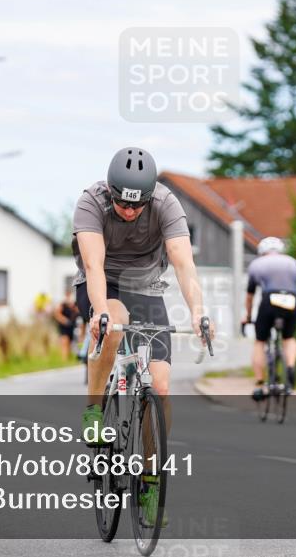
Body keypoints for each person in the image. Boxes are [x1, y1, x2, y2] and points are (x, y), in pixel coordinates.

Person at [73, 147, 214, 526]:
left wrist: (199, 311)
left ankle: (150, 484)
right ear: (111, 191)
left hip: (148, 287)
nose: (130, 211)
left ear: (151, 195)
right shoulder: (91, 202)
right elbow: (93, 263)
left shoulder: (167, 204)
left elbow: (184, 264)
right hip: (102, 282)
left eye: (138, 205)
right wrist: (100, 310)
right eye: (122, 203)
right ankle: (93, 409)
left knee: (162, 385)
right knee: (114, 319)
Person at [243, 236, 296, 400]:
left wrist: (247, 316)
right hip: (292, 298)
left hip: (269, 299)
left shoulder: (256, 264)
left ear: (262, 252)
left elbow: (250, 296)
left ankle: (260, 383)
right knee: (289, 338)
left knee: (260, 341)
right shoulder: (292, 262)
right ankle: (290, 366)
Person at [52, 289, 80, 359]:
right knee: (65, 341)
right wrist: (65, 321)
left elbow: (77, 312)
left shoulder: (73, 304)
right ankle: (64, 358)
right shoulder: (62, 304)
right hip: (64, 326)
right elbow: (57, 314)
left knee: (70, 342)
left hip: (71, 326)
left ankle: (68, 357)